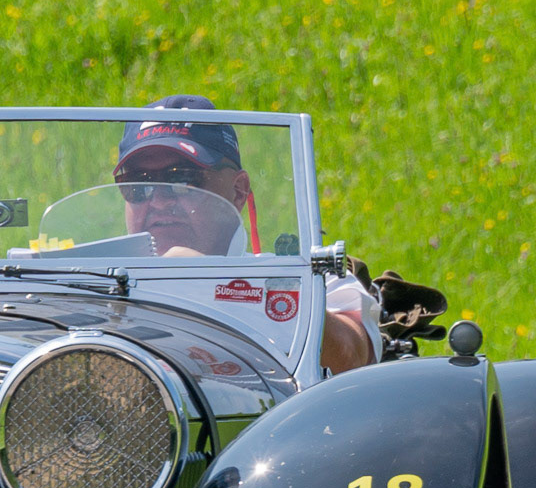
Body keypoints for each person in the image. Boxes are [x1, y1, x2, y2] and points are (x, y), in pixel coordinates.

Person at [116, 95, 378, 372]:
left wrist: (213, 285)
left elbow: (350, 354)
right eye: (138, 185)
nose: (157, 201)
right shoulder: (93, 286)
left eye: (181, 180)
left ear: (238, 191)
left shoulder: (304, 281)